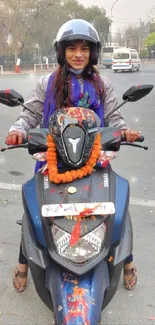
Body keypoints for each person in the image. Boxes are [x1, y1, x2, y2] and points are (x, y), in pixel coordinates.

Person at [6, 19, 139, 292]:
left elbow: (114, 117)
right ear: (61, 52)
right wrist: (18, 131)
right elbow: (29, 114)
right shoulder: (47, 83)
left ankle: (127, 262)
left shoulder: (103, 85)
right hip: (53, 158)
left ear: (93, 53)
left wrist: (125, 132)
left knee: (116, 209)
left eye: (84, 49)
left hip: (94, 158)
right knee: (36, 212)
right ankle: (23, 265)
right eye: (71, 49)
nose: (78, 54)